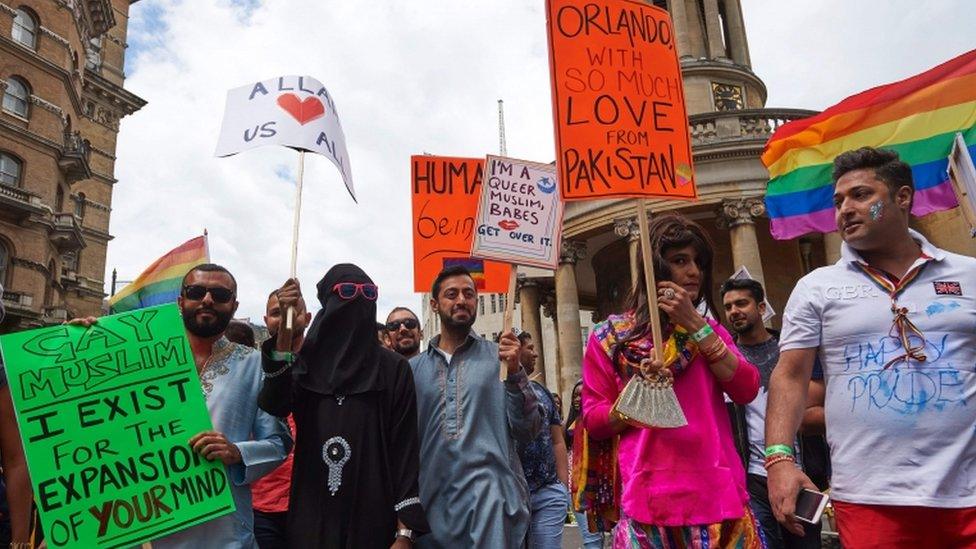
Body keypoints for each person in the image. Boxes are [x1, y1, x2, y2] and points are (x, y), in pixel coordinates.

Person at [766, 147, 976, 549]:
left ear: (902, 197)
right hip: (870, 500)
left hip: (968, 496)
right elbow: (790, 376)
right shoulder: (816, 287)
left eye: (861, 195)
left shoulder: (968, 275)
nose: (845, 208)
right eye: (838, 201)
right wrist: (779, 460)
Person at [64, 264, 292, 548]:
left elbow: (280, 442)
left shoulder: (254, 365)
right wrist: (78, 347)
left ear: (234, 306)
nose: (207, 299)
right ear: (180, 301)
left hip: (225, 531)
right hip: (143, 521)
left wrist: (236, 451)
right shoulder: (136, 360)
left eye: (220, 294)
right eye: (196, 292)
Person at [579, 213, 763, 548]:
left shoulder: (710, 331)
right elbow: (595, 420)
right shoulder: (611, 338)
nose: (693, 272)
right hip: (648, 500)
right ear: (655, 268)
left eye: (698, 262)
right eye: (680, 261)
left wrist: (696, 325)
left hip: (718, 497)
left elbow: (746, 388)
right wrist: (640, 392)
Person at [258, 265, 428, 548]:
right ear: (329, 301)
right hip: (313, 514)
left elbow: (405, 451)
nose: (359, 299)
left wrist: (405, 532)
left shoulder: (393, 369)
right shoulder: (306, 365)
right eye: (347, 292)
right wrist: (286, 329)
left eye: (369, 293)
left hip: (374, 515)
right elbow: (275, 403)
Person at [410, 265, 542, 548]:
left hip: (493, 512)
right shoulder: (412, 371)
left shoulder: (502, 361)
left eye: (469, 294)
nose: (461, 300)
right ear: (434, 305)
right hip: (431, 514)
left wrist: (516, 372)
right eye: (451, 294)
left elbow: (529, 429)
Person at [720, 278, 823, 549]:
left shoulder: (792, 351)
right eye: (728, 306)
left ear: (762, 307)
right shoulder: (725, 361)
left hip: (800, 473)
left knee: (805, 544)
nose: (734, 311)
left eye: (742, 303)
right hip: (752, 478)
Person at [251, 289, 311, 549]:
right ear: (265, 320)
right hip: (262, 504)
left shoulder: (325, 366)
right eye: (277, 312)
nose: (284, 317)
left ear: (307, 318)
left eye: (292, 311)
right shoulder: (250, 367)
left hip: (312, 501)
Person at [512, 331, 568, 549]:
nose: (535, 354)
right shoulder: (494, 390)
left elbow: (557, 440)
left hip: (547, 492)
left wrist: (561, 487)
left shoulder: (542, 391)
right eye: (530, 348)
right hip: (510, 497)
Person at [565, 380, 604, 549]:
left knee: (601, 536)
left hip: (597, 485)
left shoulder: (595, 423)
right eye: (575, 395)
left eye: (582, 395)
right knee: (591, 538)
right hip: (574, 488)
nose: (577, 399)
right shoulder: (566, 428)